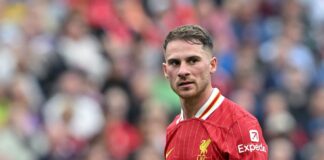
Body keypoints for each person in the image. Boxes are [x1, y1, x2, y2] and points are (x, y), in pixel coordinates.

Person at [162, 24, 268, 160]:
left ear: (212, 65)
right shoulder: (172, 130)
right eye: (175, 63)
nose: (183, 71)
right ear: (166, 70)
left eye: (193, 61)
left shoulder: (240, 125)